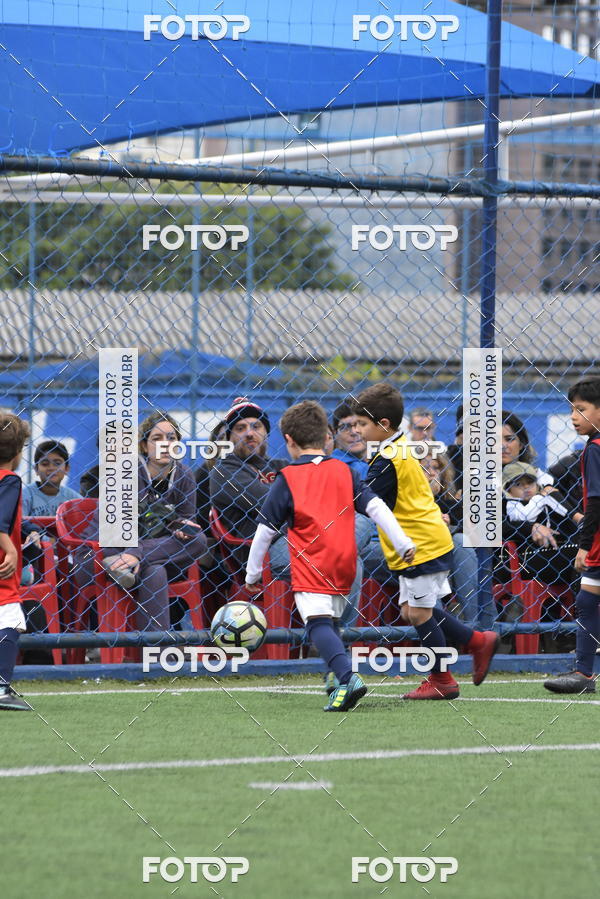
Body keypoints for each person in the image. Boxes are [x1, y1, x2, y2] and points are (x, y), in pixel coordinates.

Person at [244, 400, 415, 712]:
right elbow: (376, 507)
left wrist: (252, 574)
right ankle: (335, 678)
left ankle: (348, 678)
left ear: (289, 441)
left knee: (317, 624)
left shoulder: (288, 478)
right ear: (327, 437)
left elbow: (265, 530)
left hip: (312, 562)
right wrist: (402, 542)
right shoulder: (343, 471)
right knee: (332, 621)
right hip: (347, 560)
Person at [352, 382, 499, 700]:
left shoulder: (387, 460)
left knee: (419, 613)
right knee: (412, 610)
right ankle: (477, 641)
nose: (357, 430)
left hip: (419, 545)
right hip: (423, 540)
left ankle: (442, 678)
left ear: (383, 425)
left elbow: (365, 500)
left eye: (362, 424)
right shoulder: (399, 446)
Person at [75, 411, 207, 632]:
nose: (165, 444)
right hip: (103, 552)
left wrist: (181, 527)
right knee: (155, 569)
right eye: (157, 439)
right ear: (144, 446)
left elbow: (187, 522)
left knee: (197, 541)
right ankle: (158, 655)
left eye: (171, 438)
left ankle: (154, 654)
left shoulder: (184, 476)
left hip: (141, 554)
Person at [545, 378, 600, 694]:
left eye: (581, 409)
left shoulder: (594, 449)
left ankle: (583, 673)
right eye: (572, 410)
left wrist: (584, 546)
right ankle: (583, 673)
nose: (574, 416)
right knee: (587, 600)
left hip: (597, 541)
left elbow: (595, 501)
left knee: (587, 601)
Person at [420, 447, 495, 628]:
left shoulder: (452, 503)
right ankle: (442, 630)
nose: (431, 473)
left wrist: (449, 523)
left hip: (451, 563)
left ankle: (475, 626)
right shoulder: (403, 500)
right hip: (418, 556)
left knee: (461, 540)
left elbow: (478, 525)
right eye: (424, 468)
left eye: (436, 467)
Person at [0, 413, 33, 710]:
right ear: (19, 452)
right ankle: (0, 688)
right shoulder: (10, 480)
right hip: (2, 566)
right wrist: (10, 549)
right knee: (9, 617)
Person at [22, 440, 81, 517]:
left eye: (57, 463)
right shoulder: (25, 495)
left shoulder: (73, 498)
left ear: (66, 469)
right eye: (45, 464)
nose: (51, 468)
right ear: (36, 469)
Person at [330, 399, 368, 477]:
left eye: (360, 424)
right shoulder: (331, 467)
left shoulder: (383, 458)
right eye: (345, 427)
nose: (354, 432)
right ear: (335, 433)